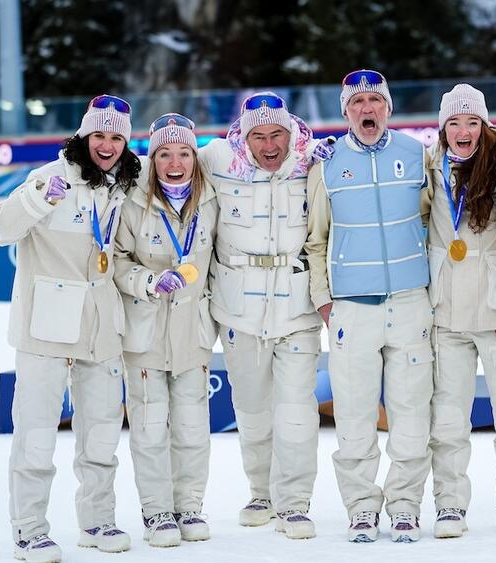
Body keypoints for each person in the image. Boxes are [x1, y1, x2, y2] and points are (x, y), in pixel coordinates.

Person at [0, 94, 140, 562]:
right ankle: (29, 530)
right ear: (83, 137)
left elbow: (188, 159)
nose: (107, 145)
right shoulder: (49, 177)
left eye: (116, 137)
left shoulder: (126, 183)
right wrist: (34, 200)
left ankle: (97, 521)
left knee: (101, 435)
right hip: (45, 328)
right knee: (35, 435)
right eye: (99, 135)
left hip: (101, 326)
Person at [304, 69, 433, 543]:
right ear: (345, 111)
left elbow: (433, 222)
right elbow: (315, 241)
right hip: (351, 310)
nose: (366, 109)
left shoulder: (417, 155)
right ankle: (361, 507)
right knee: (355, 416)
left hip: (409, 304)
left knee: (411, 414)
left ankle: (404, 507)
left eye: (375, 101)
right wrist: (325, 301)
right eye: (357, 102)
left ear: (388, 108)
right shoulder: (327, 164)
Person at [199, 92, 331, 539]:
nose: (269, 144)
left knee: (296, 411)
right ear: (244, 136)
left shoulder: (312, 164)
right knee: (252, 410)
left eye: (277, 134)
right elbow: (163, 160)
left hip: (297, 308)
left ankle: (294, 503)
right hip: (238, 309)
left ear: (291, 133)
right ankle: (261, 493)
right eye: (259, 135)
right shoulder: (216, 159)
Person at [426, 84, 496, 538]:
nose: (463, 130)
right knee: (448, 419)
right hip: (446, 314)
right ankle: (450, 503)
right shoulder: (428, 165)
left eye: (471, 121)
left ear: (485, 124)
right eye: (454, 122)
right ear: (443, 127)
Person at [113, 113, 218, 547]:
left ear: (195, 156)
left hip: (192, 332)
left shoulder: (211, 198)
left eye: (183, 153)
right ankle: (157, 513)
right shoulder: (132, 201)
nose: (175, 163)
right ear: (152, 158)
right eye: (164, 154)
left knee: (193, 427)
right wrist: (148, 281)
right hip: (144, 333)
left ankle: (189, 506)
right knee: (151, 427)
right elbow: (116, 261)